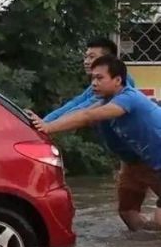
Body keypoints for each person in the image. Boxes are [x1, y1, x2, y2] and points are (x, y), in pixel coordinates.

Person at [29, 38, 148, 230]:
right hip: (132, 159)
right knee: (128, 212)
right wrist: (41, 123)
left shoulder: (121, 90)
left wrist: (46, 126)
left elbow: (85, 114)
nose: (86, 61)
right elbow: (74, 104)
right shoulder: (99, 87)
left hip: (151, 158)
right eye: (85, 56)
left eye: (92, 57)